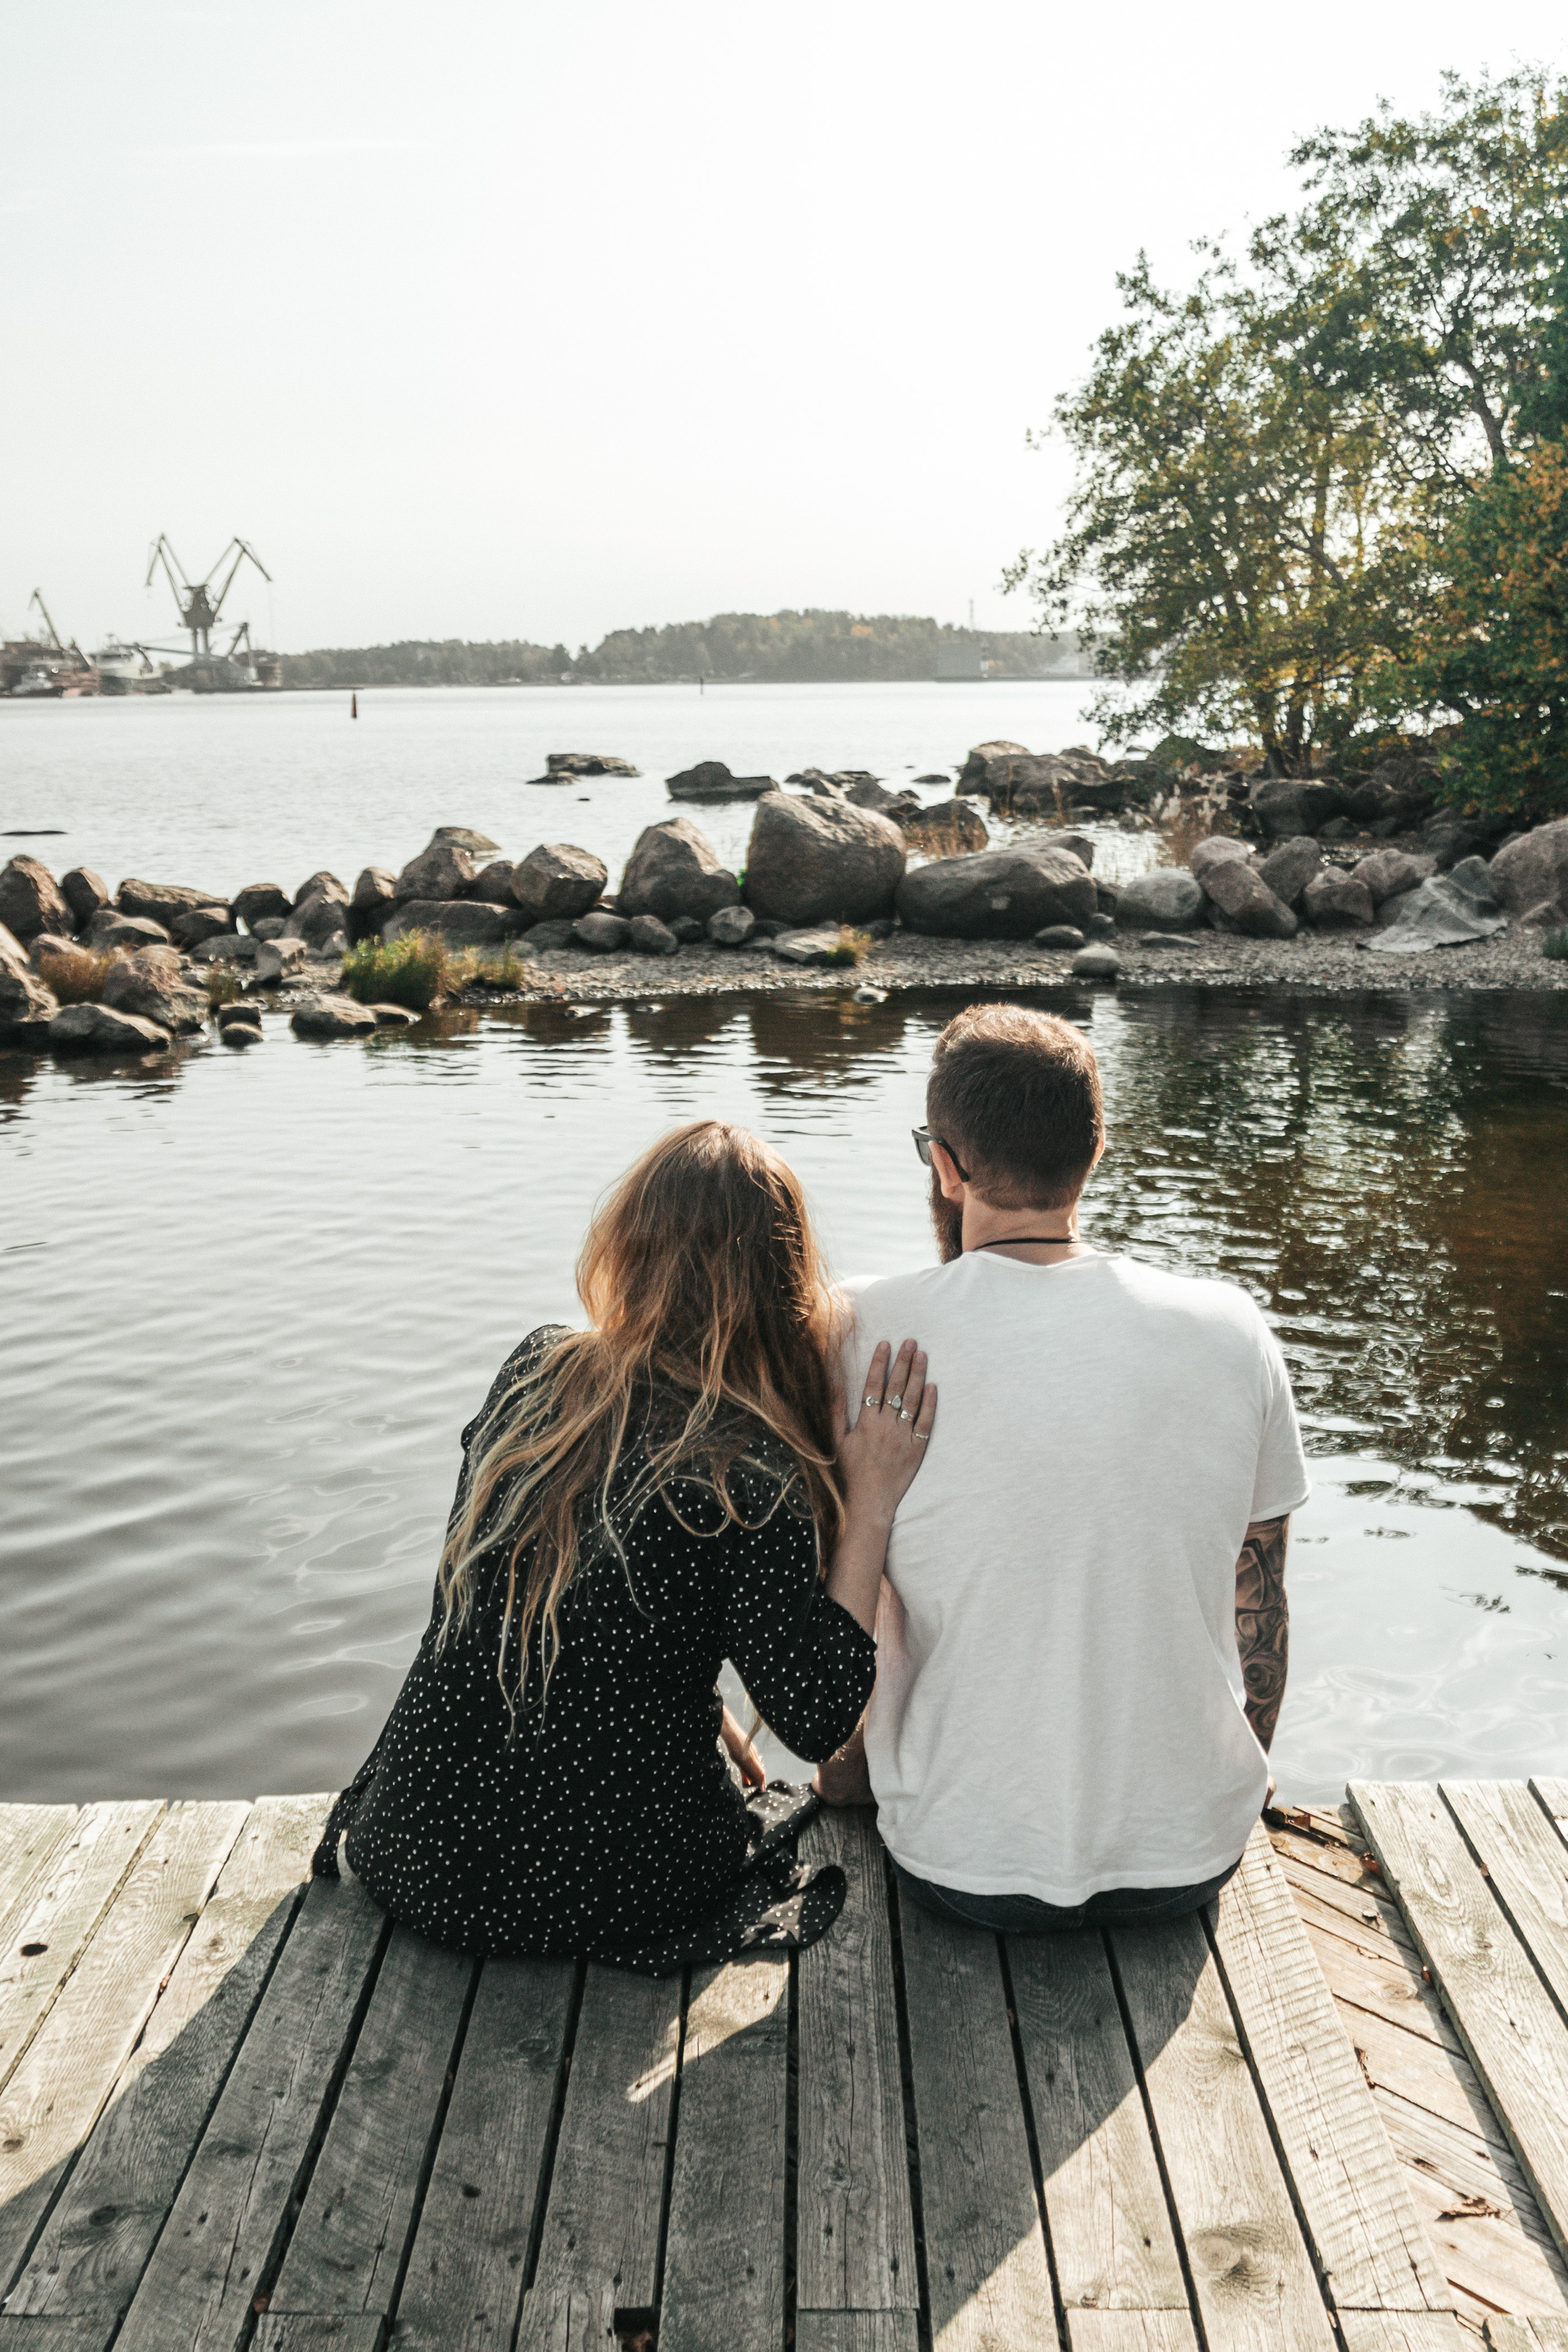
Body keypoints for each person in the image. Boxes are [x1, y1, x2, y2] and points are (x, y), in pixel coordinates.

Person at [311, 1119, 936, 1972]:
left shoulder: (535, 1373)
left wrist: (691, 1701)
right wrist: (871, 1505)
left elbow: (534, 1593)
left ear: (627, 1246)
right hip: (612, 1892)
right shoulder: (748, 1474)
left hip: (415, 1853)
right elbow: (818, 1719)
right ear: (781, 1284)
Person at [818, 1002, 1310, 1932]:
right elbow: (1264, 1590)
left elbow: (838, 1588)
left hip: (960, 1863)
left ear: (947, 1164)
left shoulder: (862, 1331)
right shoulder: (1230, 1328)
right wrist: (1239, 1774)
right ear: (1095, 1152)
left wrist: (846, 1768)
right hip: (1190, 1861)